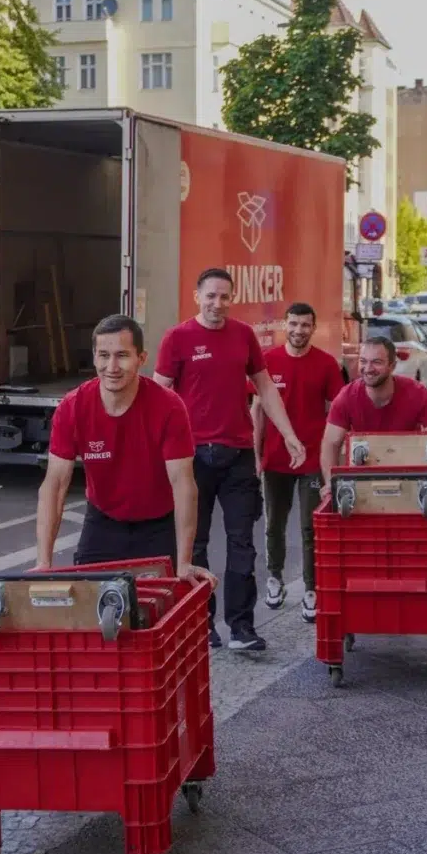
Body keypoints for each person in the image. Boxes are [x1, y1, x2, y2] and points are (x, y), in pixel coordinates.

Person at [153, 267, 306, 653]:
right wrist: (155, 454)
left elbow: (266, 388)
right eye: (210, 296)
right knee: (194, 545)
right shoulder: (177, 338)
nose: (217, 304)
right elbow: (158, 398)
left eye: (224, 297)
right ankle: (201, 626)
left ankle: (241, 627)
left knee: (243, 544)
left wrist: (288, 435)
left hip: (238, 455)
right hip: (192, 459)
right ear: (196, 296)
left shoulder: (243, 336)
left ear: (231, 299)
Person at [36, 313, 217, 590]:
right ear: (94, 358)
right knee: (92, 612)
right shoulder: (73, 407)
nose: (112, 366)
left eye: (122, 355)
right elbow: (55, 485)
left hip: (158, 526)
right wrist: (44, 563)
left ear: (141, 359)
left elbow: (183, 484)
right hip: (103, 522)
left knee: (158, 613)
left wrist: (183, 561)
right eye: (103, 355)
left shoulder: (168, 406)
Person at [250, 302, 344, 623]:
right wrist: (257, 454)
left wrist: (334, 461)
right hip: (275, 460)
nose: (298, 330)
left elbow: (337, 414)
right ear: (284, 325)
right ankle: (274, 578)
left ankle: (311, 589)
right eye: (293, 324)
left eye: (305, 325)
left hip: (312, 462)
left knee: (310, 528)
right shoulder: (268, 361)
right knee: (274, 523)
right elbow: (258, 411)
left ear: (313, 328)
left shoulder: (327, 364)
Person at [320, 334, 427, 505]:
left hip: (410, 480)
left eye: (377, 362)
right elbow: (330, 443)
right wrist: (329, 482)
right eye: (363, 361)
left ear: (392, 365)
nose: (368, 368)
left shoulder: (417, 394)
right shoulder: (346, 397)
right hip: (364, 482)